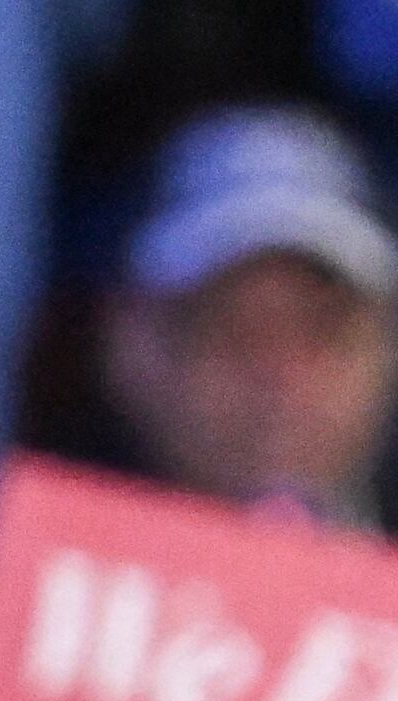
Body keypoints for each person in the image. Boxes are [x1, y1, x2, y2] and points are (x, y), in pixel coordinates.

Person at [101, 109, 398, 529]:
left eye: (323, 332)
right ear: (135, 348)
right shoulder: (15, 569)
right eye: (237, 331)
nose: (282, 376)